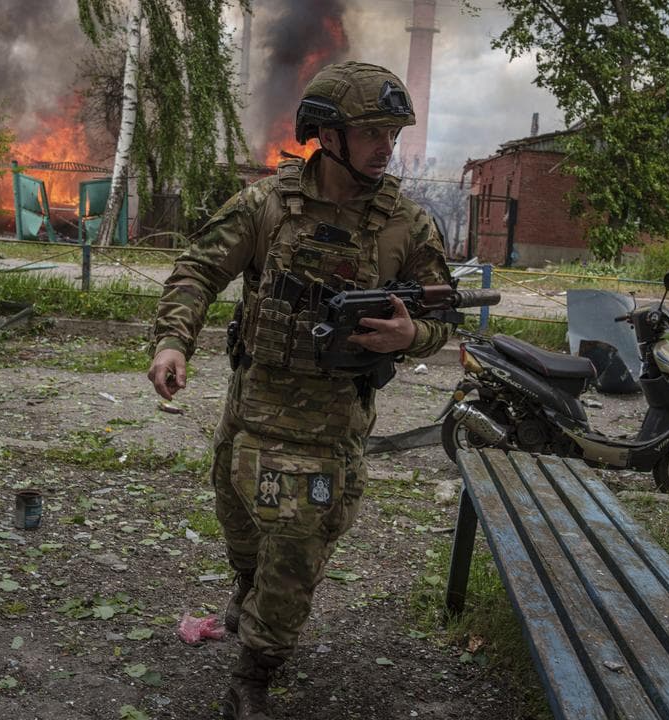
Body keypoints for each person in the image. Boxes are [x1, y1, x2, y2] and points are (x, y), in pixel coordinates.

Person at [146, 61, 453, 719]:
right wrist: (173, 340)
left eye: (392, 133)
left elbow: (442, 317)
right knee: (242, 532)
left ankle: (253, 676)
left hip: (331, 428)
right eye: (372, 131)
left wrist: (410, 338)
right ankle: (246, 594)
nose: (385, 146)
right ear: (327, 134)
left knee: (293, 557)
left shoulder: (406, 225)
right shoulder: (266, 206)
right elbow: (198, 269)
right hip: (252, 413)